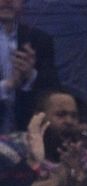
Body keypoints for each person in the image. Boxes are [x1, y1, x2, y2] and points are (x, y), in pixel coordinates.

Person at [0, 0, 60, 133]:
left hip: (27, 133)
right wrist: (8, 85)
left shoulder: (39, 39)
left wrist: (30, 75)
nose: (7, 1)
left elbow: (53, 90)